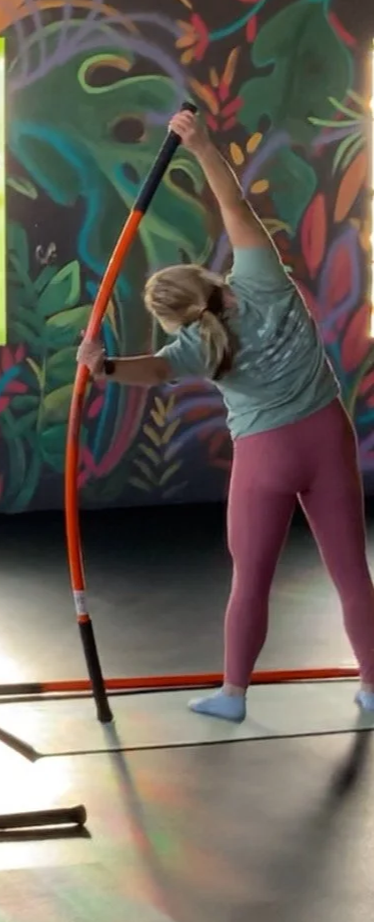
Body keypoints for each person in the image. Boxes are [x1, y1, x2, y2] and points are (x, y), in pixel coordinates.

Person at [77, 108, 374, 723]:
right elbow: (233, 204)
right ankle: (373, 685)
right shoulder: (262, 277)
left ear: (176, 319)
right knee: (352, 575)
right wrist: (203, 146)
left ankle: (234, 694)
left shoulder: (191, 347)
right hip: (327, 435)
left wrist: (101, 367)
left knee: (251, 581)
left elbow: (153, 370)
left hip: (266, 454)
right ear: (204, 275)